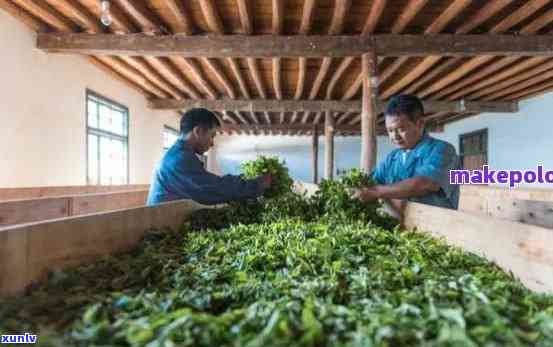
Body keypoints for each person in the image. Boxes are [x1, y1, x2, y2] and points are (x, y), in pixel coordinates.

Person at [352, 94, 460, 216]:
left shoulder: (443, 150)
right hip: (401, 228)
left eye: (401, 129)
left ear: (420, 124)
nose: (395, 136)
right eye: (390, 131)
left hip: (439, 229)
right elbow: (371, 182)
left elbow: (425, 184)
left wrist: (376, 191)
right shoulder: (392, 158)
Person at [147, 108, 272, 206]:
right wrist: (257, 184)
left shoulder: (179, 154)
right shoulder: (179, 159)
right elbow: (212, 189)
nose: (212, 143)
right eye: (212, 135)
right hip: (159, 224)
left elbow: (211, 184)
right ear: (198, 131)